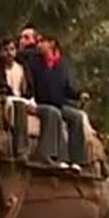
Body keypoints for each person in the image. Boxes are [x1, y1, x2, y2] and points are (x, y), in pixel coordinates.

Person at [27, 35, 87, 170]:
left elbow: (67, 88)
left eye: (43, 41)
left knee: (77, 117)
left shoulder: (61, 64)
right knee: (55, 114)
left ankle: (77, 160)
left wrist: (79, 95)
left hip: (59, 103)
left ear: (52, 43)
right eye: (38, 42)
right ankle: (60, 157)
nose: (39, 44)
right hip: (40, 103)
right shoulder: (34, 62)